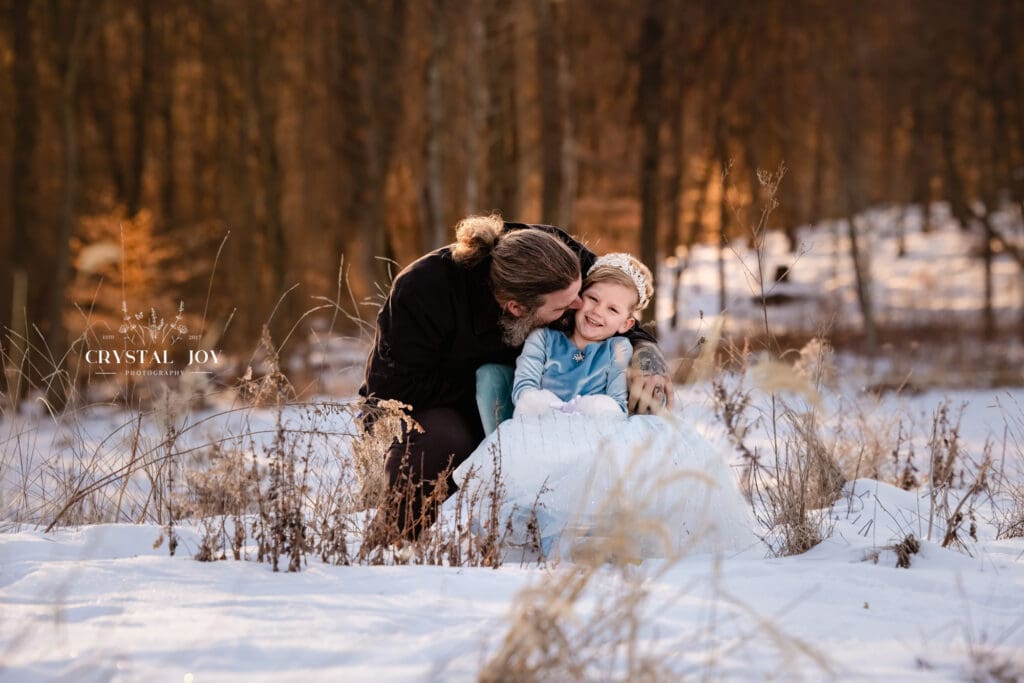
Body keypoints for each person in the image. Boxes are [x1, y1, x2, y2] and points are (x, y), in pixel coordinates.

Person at [359, 214, 673, 541]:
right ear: (517, 309)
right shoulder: (422, 291)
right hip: (438, 401)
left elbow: (616, 296)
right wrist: (495, 391)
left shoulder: (556, 256)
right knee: (445, 440)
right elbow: (392, 390)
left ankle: (606, 528)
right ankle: (392, 543)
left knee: (631, 401)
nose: (581, 305)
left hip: (548, 395)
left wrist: (647, 354)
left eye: (581, 292)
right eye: (565, 306)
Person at [512, 253, 654, 417]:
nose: (597, 311)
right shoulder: (543, 339)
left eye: (612, 309)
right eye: (593, 298)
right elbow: (523, 392)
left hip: (591, 433)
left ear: (625, 324)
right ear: (578, 297)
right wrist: (550, 411)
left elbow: (617, 405)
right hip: (539, 427)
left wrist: (588, 410)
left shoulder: (617, 349)